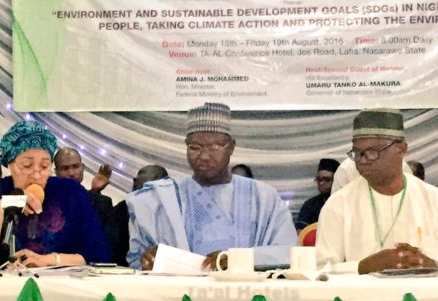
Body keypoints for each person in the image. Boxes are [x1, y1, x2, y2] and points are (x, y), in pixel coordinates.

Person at [126, 102, 296, 270]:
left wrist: (236, 259)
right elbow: (136, 260)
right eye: (195, 147)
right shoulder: (160, 199)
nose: (204, 156)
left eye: (215, 147)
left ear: (231, 147)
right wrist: (148, 260)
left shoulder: (263, 197)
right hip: (180, 295)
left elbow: (288, 253)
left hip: (249, 294)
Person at [316, 108, 438, 274]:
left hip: (425, 299)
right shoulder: (339, 204)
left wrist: (433, 266)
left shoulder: (435, 200)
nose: (362, 161)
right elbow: (320, 271)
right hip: (362, 299)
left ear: (401, 150)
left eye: (371, 152)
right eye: (357, 153)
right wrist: (363, 267)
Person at [0, 120, 110, 269]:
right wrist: (2, 208)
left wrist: (48, 260)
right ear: (10, 166)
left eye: (44, 166)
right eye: (27, 166)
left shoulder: (70, 192)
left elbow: (98, 255)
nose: (37, 175)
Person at [53, 147, 117, 259]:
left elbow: (110, 246)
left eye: (75, 167)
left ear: (83, 168)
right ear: (56, 172)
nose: (71, 173)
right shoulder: (48, 200)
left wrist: (95, 193)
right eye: (65, 168)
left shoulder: (102, 202)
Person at [111, 164, 169, 266]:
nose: (135, 181)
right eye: (135, 179)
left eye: (142, 175)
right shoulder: (123, 207)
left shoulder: (171, 210)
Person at [296, 158, 340, 230]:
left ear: (336, 179)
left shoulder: (345, 203)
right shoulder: (310, 205)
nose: (321, 183)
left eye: (326, 179)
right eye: (319, 179)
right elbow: (301, 233)